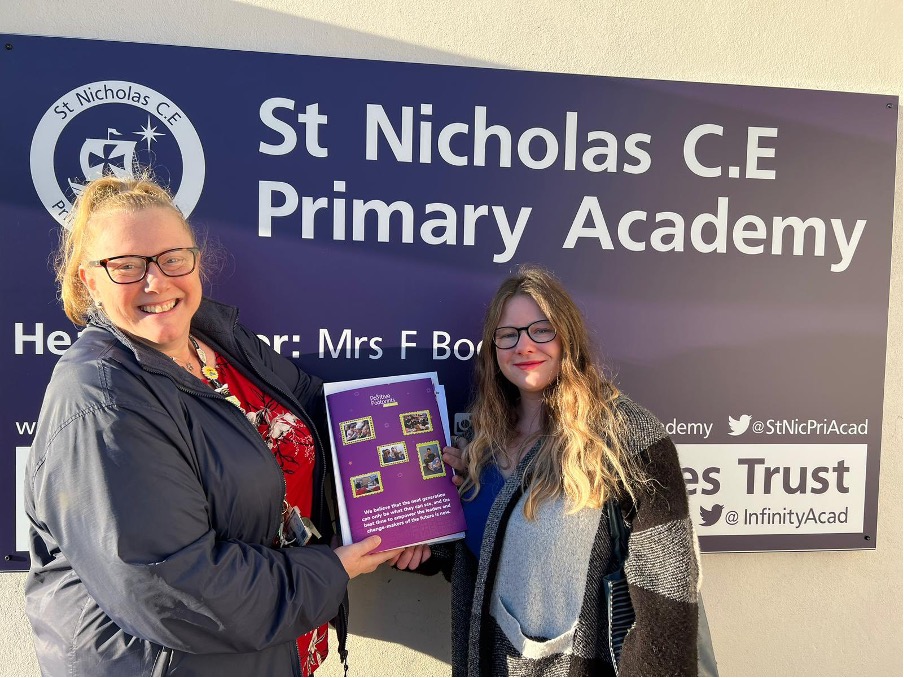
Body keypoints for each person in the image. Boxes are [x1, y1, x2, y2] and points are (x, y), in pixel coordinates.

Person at [23, 174, 427, 677]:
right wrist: (335, 569)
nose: (157, 282)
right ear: (90, 280)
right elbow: (176, 588)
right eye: (127, 266)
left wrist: (408, 491)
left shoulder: (217, 343)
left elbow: (317, 408)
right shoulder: (102, 398)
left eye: (172, 258)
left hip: (268, 649)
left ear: (196, 260)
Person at [432, 264, 703, 676]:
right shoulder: (483, 439)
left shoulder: (625, 436)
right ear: (494, 349)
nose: (524, 346)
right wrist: (426, 539)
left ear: (567, 337)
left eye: (541, 329)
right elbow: (492, 558)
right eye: (508, 335)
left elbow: (667, 590)